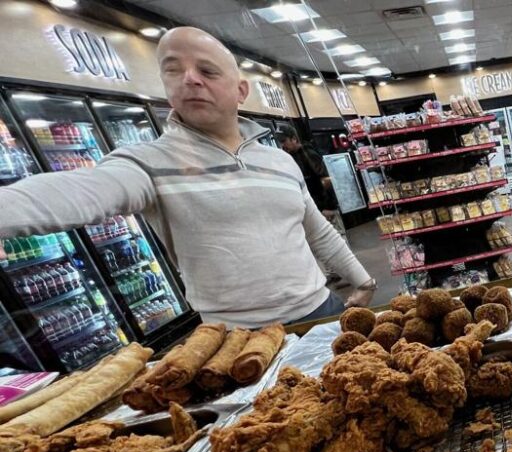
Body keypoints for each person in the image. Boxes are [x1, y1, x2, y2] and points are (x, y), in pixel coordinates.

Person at [0, 27, 373, 328]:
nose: (191, 80)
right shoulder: (145, 164)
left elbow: (316, 231)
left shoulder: (279, 161)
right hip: (232, 340)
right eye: (174, 69)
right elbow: (79, 193)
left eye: (207, 71)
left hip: (320, 312)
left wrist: (361, 279)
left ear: (241, 90)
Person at [277, 126, 346, 285]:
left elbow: (326, 180)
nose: (283, 145)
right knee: (318, 241)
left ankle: (345, 273)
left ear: (294, 138)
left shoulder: (309, 154)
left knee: (336, 237)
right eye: (280, 142)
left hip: (324, 206)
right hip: (310, 207)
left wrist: (329, 205)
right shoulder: (289, 158)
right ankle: (333, 272)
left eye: (284, 140)